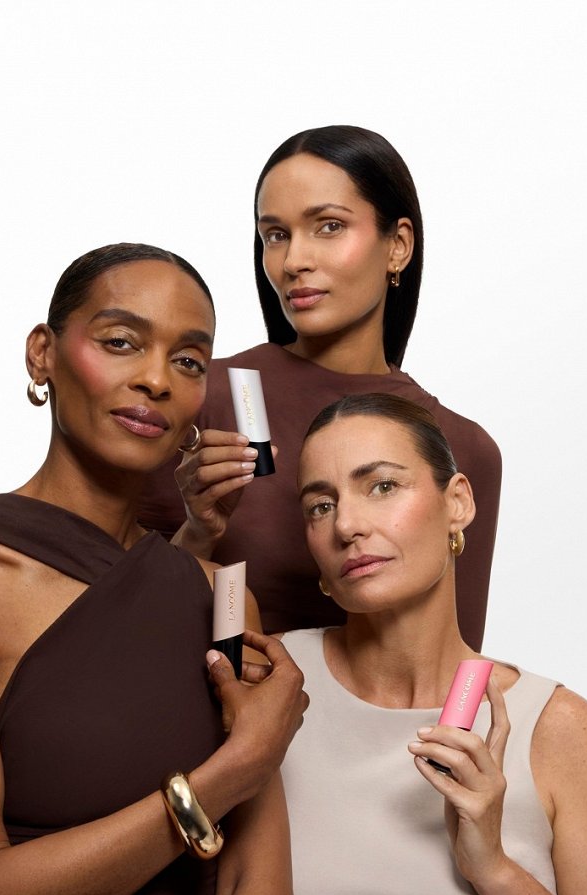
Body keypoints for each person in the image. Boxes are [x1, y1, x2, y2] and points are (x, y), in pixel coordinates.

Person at [0, 243, 308, 895]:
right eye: (121, 342)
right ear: (42, 353)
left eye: (188, 360)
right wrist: (233, 771)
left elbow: (255, 878)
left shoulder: (223, 598)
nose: (156, 380)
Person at [138, 125, 501, 650]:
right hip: (203, 701)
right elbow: (112, 628)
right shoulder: (203, 396)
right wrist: (198, 532)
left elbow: (456, 664)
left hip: (379, 709)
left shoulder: (464, 447)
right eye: (275, 235)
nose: (293, 262)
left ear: (398, 245)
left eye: (329, 226)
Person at [277, 392, 587, 895]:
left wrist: (494, 869)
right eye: (321, 506)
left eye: (383, 486)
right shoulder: (270, 679)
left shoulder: (557, 728)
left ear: (458, 502)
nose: (346, 525)